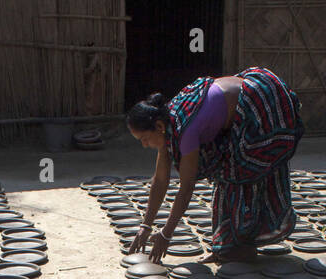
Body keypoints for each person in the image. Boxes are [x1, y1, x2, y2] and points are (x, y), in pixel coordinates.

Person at [126, 67, 304, 264]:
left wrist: (166, 234)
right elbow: (160, 180)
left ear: (158, 127)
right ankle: (226, 246)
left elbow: (186, 189)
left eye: (144, 139)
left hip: (259, 105)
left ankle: (241, 245)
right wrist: (146, 225)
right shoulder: (168, 124)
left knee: (237, 174)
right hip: (232, 112)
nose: (144, 145)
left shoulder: (185, 132)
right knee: (226, 171)